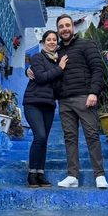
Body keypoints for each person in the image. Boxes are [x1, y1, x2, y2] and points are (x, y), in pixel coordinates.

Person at [27, 14, 108, 189]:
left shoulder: (87, 45)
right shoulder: (56, 53)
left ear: (73, 27)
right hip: (64, 101)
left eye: (67, 25)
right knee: (69, 138)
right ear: (58, 30)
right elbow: (43, 70)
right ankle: (72, 175)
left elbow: (97, 69)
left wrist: (93, 92)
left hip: (84, 98)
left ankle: (99, 174)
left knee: (92, 136)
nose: (64, 29)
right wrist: (29, 70)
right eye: (61, 26)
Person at [23, 30, 68, 188]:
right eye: (48, 39)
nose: (51, 42)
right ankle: (31, 174)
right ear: (43, 42)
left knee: (44, 141)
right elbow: (41, 77)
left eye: (54, 40)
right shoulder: (37, 57)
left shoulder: (56, 61)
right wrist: (60, 68)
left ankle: (40, 173)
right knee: (39, 136)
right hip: (33, 102)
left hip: (48, 104)